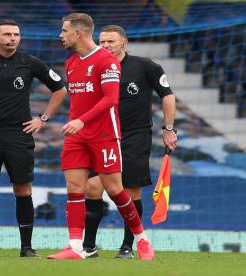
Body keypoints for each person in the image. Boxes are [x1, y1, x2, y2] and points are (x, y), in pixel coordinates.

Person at [47, 13, 154, 260]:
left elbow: (110, 99)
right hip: (76, 135)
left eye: (64, 31)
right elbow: (79, 99)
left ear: (78, 33)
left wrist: (81, 120)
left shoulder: (107, 61)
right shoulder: (71, 62)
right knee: (75, 188)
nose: (60, 36)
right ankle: (75, 247)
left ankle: (142, 239)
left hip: (104, 134)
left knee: (116, 190)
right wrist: (76, 123)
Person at [0, 19, 67, 258]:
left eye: (16, 34)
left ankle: (26, 248)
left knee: (22, 189)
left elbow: (60, 89)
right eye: (7, 34)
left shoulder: (30, 62)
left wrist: (43, 119)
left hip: (20, 134)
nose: (13, 38)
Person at [82, 25, 177, 259]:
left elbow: (167, 95)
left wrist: (168, 128)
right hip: (102, 136)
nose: (105, 46)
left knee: (129, 190)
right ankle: (88, 247)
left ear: (124, 42)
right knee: (93, 187)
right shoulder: (93, 67)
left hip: (135, 135)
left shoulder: (145, 66)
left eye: (111, 42)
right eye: (102, 42)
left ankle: (127, 246)